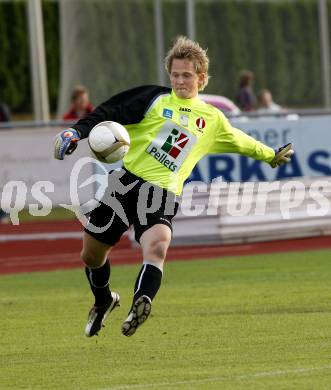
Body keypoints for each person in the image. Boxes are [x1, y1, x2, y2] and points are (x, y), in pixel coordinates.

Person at [54, 36, 294, 338]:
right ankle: (104, 301)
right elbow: (108, 110)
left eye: (187, 75)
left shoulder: (212, 119)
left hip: (162, 192)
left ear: (202, 78)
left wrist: (270, 154)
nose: (180, 81)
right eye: (176, 75)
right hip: (125, 183)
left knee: (158, 244)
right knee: (90, 255)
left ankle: (141, 303)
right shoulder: (153, 99)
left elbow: (241, 141)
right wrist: (76, 132)